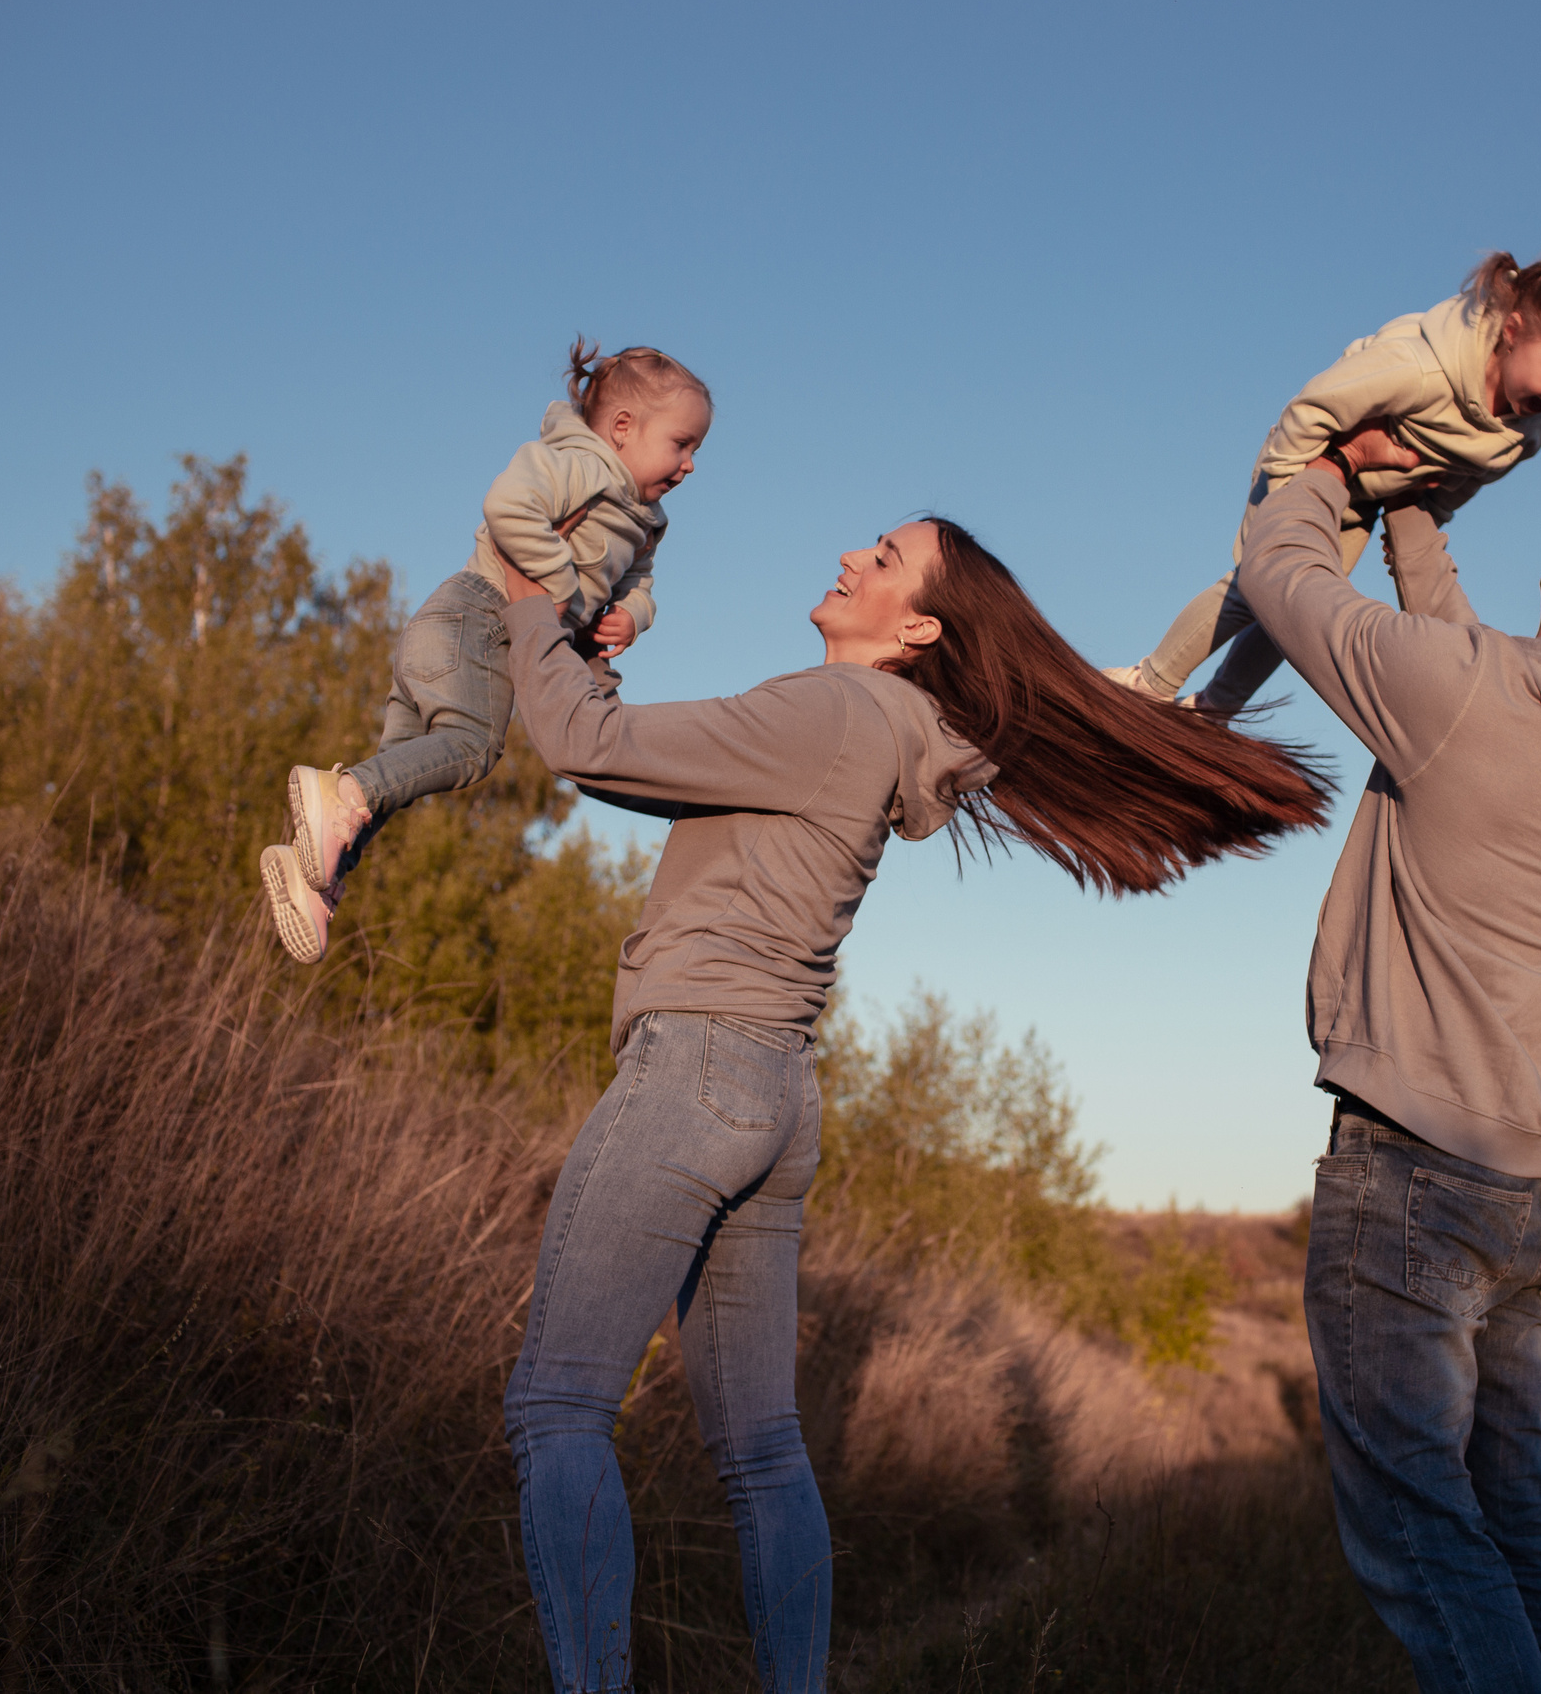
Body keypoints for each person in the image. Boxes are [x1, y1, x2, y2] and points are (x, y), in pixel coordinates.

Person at [494, 517, 1331, 1694]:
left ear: (920, 626)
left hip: (694, 1076)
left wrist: (529, 602)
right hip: (777, 1097)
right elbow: (631, 760)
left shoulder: (829, 713)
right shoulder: (906, 732)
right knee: (761, 1451)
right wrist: (585, 652)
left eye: (882, 558)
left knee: (557, 1409)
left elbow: (581, 747)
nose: (849, 556)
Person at [1238, 423, 1541, 1693]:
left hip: (1411, 1181)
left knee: (1422, 1538)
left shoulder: (1466, 696)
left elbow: (1283, 578)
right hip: (1527, 1192)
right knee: (1515, 1520)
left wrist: (1335, 477)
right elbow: (1460, 654)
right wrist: (1412, 512)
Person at [258, 341, 713, 962]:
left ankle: (316, 875)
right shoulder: (582, 465)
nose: (690, 465)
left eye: (696, 451)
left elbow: (640, 582)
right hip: (479, 616)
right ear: (623, 429)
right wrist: (560, 584)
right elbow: (508, 506)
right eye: (681, 444)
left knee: (404, 772)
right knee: (473, 748)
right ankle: (342, 793)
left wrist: (631, 616)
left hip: (456, 631)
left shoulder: (645, 518)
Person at [1108, 246, 1541, 714]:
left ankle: (1218, 709)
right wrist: (1285, 504)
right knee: (1257, 585)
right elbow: (1311, 410)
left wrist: (1425, 519)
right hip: (1309, 461)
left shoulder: (1533, 428)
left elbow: (1469, 478)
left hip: (1364, 498)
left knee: (1298, 607)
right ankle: (1152, 681)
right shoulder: (1417, 370)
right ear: (1514, 329)